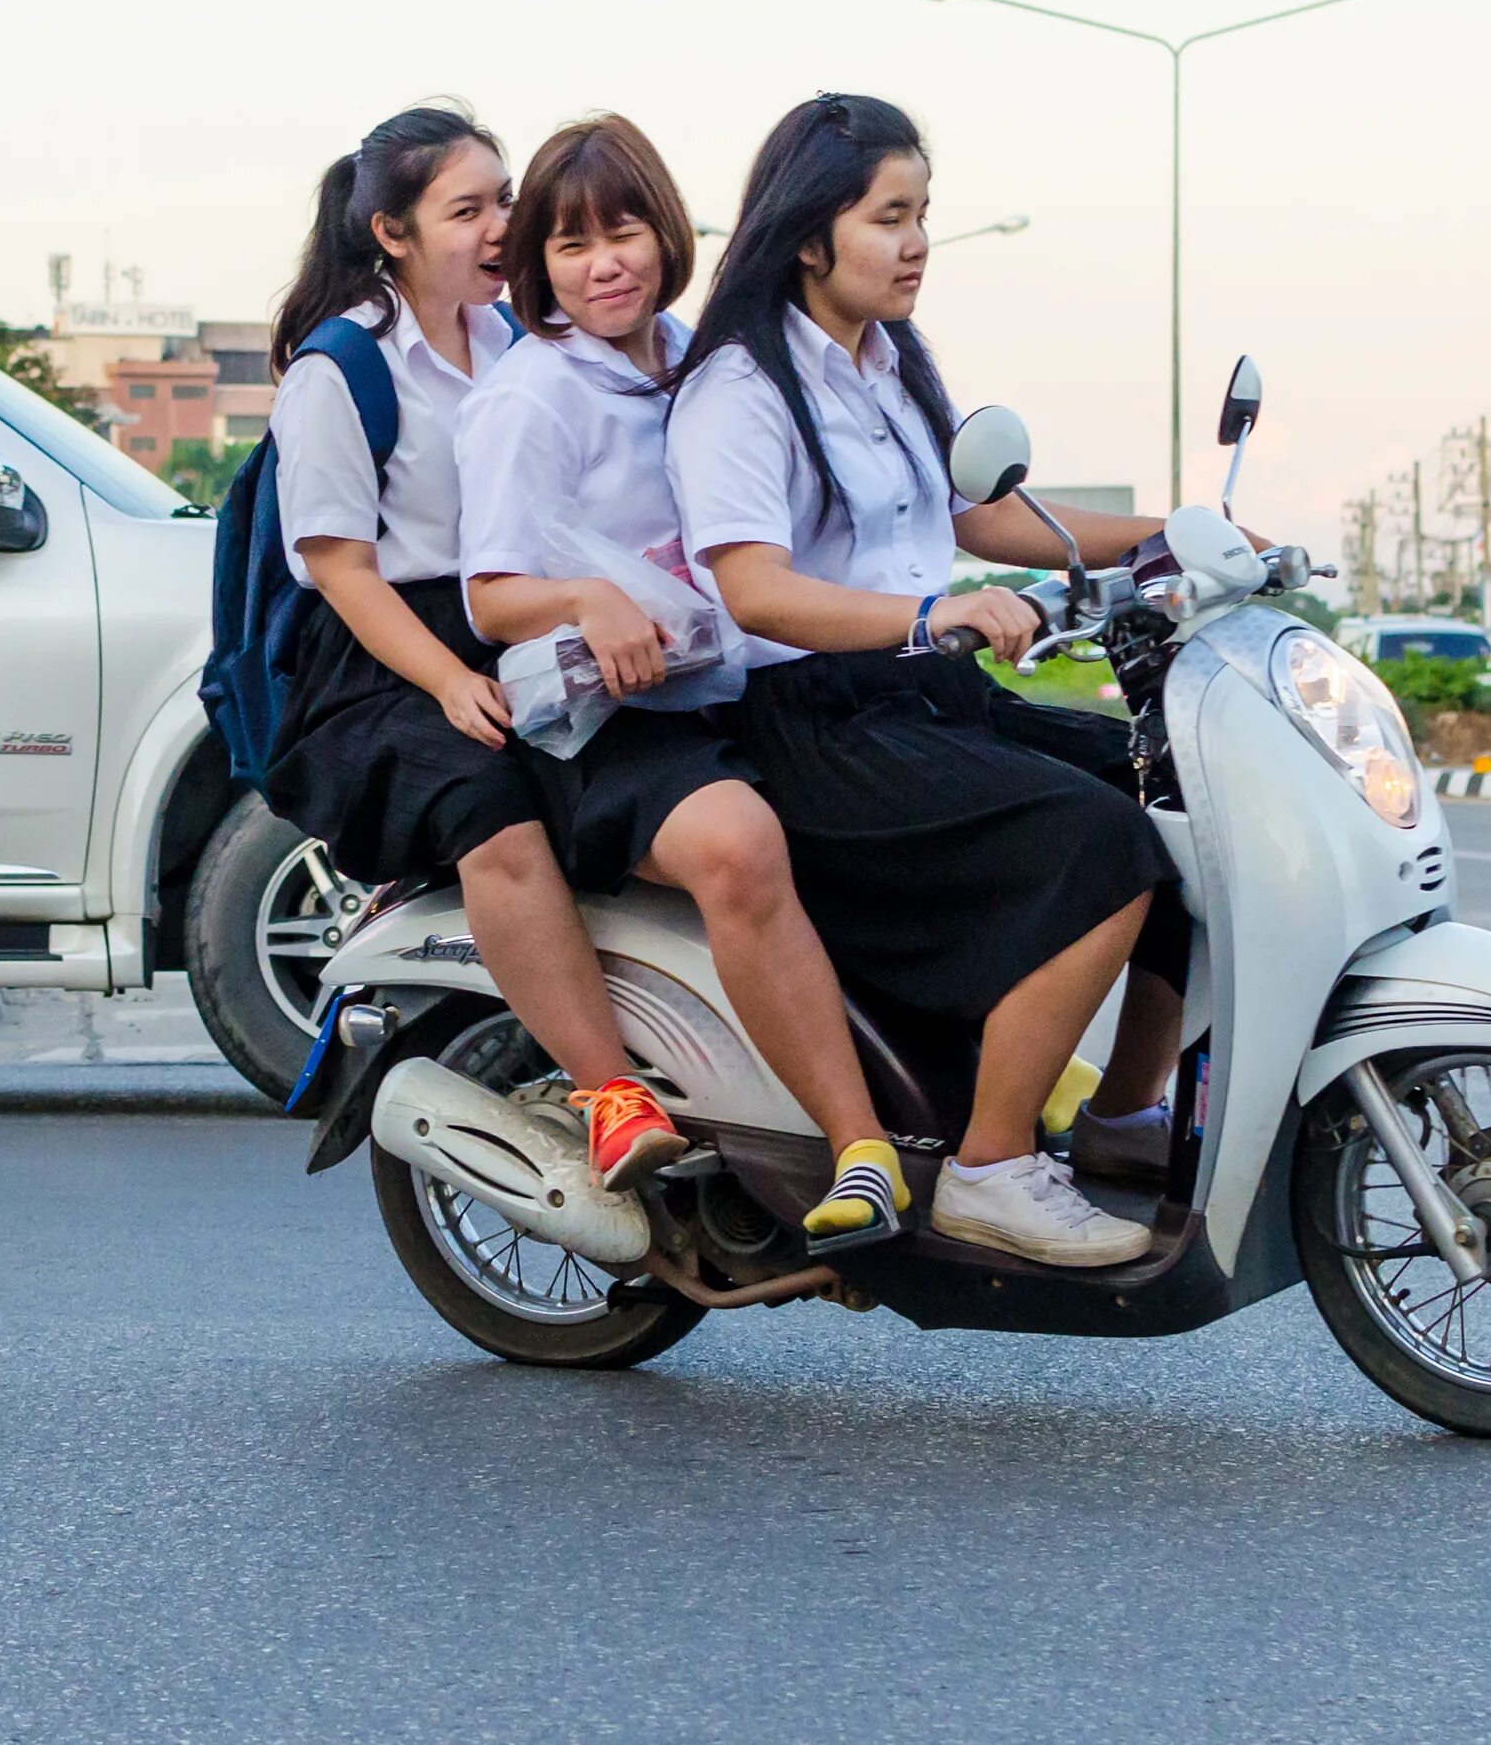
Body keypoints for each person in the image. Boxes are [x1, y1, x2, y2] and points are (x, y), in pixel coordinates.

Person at [665, 92, 1191, 1269]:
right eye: (888, 218)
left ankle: (1118, 1119)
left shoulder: (891, 360)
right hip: (813, 722)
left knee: (1180, 796)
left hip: (921, 693)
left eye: (922, 217)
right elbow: (751, 590)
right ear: (810, 237)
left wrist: (1185, 532)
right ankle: (991, 1165)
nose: (914, 245)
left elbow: (983, 513)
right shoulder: (739, 390)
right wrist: (929, 611)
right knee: (1101, 841)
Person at [456, 114, 903, 1244]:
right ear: (534, 268)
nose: (605, 263)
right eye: (570, 245)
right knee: (739, 844)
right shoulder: (533, 395)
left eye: (626, 230)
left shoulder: (699, 361)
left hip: (727, 691)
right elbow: (489, 593)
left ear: (668, 230)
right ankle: (863, 1151)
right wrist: (588, 599)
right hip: (607, 727)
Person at [254, 104, 681, 1193]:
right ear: (392, 232)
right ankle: (607, 1092)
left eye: (503, 199)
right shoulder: (339, 370)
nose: (503, 225)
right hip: (383, 660)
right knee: (491, 810)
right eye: (469, 208)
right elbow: (342, 568)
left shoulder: (513, 339)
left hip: (516, 620)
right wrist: (447, 680)